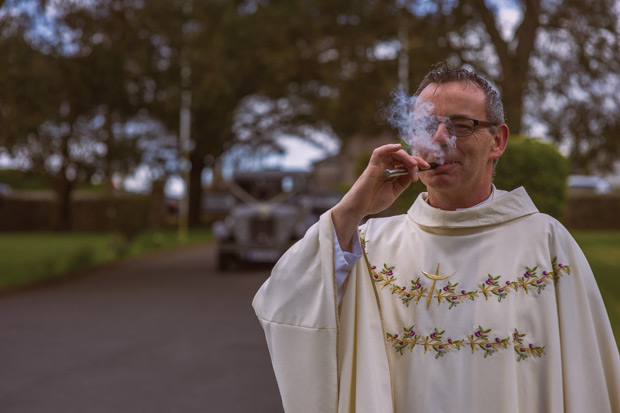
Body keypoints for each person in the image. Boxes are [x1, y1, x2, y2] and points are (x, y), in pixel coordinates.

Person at [252, 65, 620, 412]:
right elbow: (286, 303)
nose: (440, 138)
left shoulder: (546, 242)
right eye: (426, 125)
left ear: (497, 140)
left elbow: (586, 376)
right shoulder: (369, 245)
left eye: (461, 125)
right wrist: (351, 210)